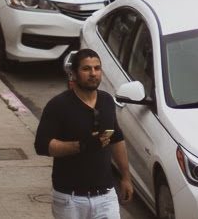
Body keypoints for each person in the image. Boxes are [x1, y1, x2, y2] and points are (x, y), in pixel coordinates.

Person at [35, 49, 134, 219]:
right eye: (86, 69)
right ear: (73, 73)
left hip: (105, 196)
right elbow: (42, 145)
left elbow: (116, 138)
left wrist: (126, 177)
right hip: (70, 199)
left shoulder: (107, 102)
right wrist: (81, 146)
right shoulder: (59, 105)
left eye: (97, 68)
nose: (93, 73)